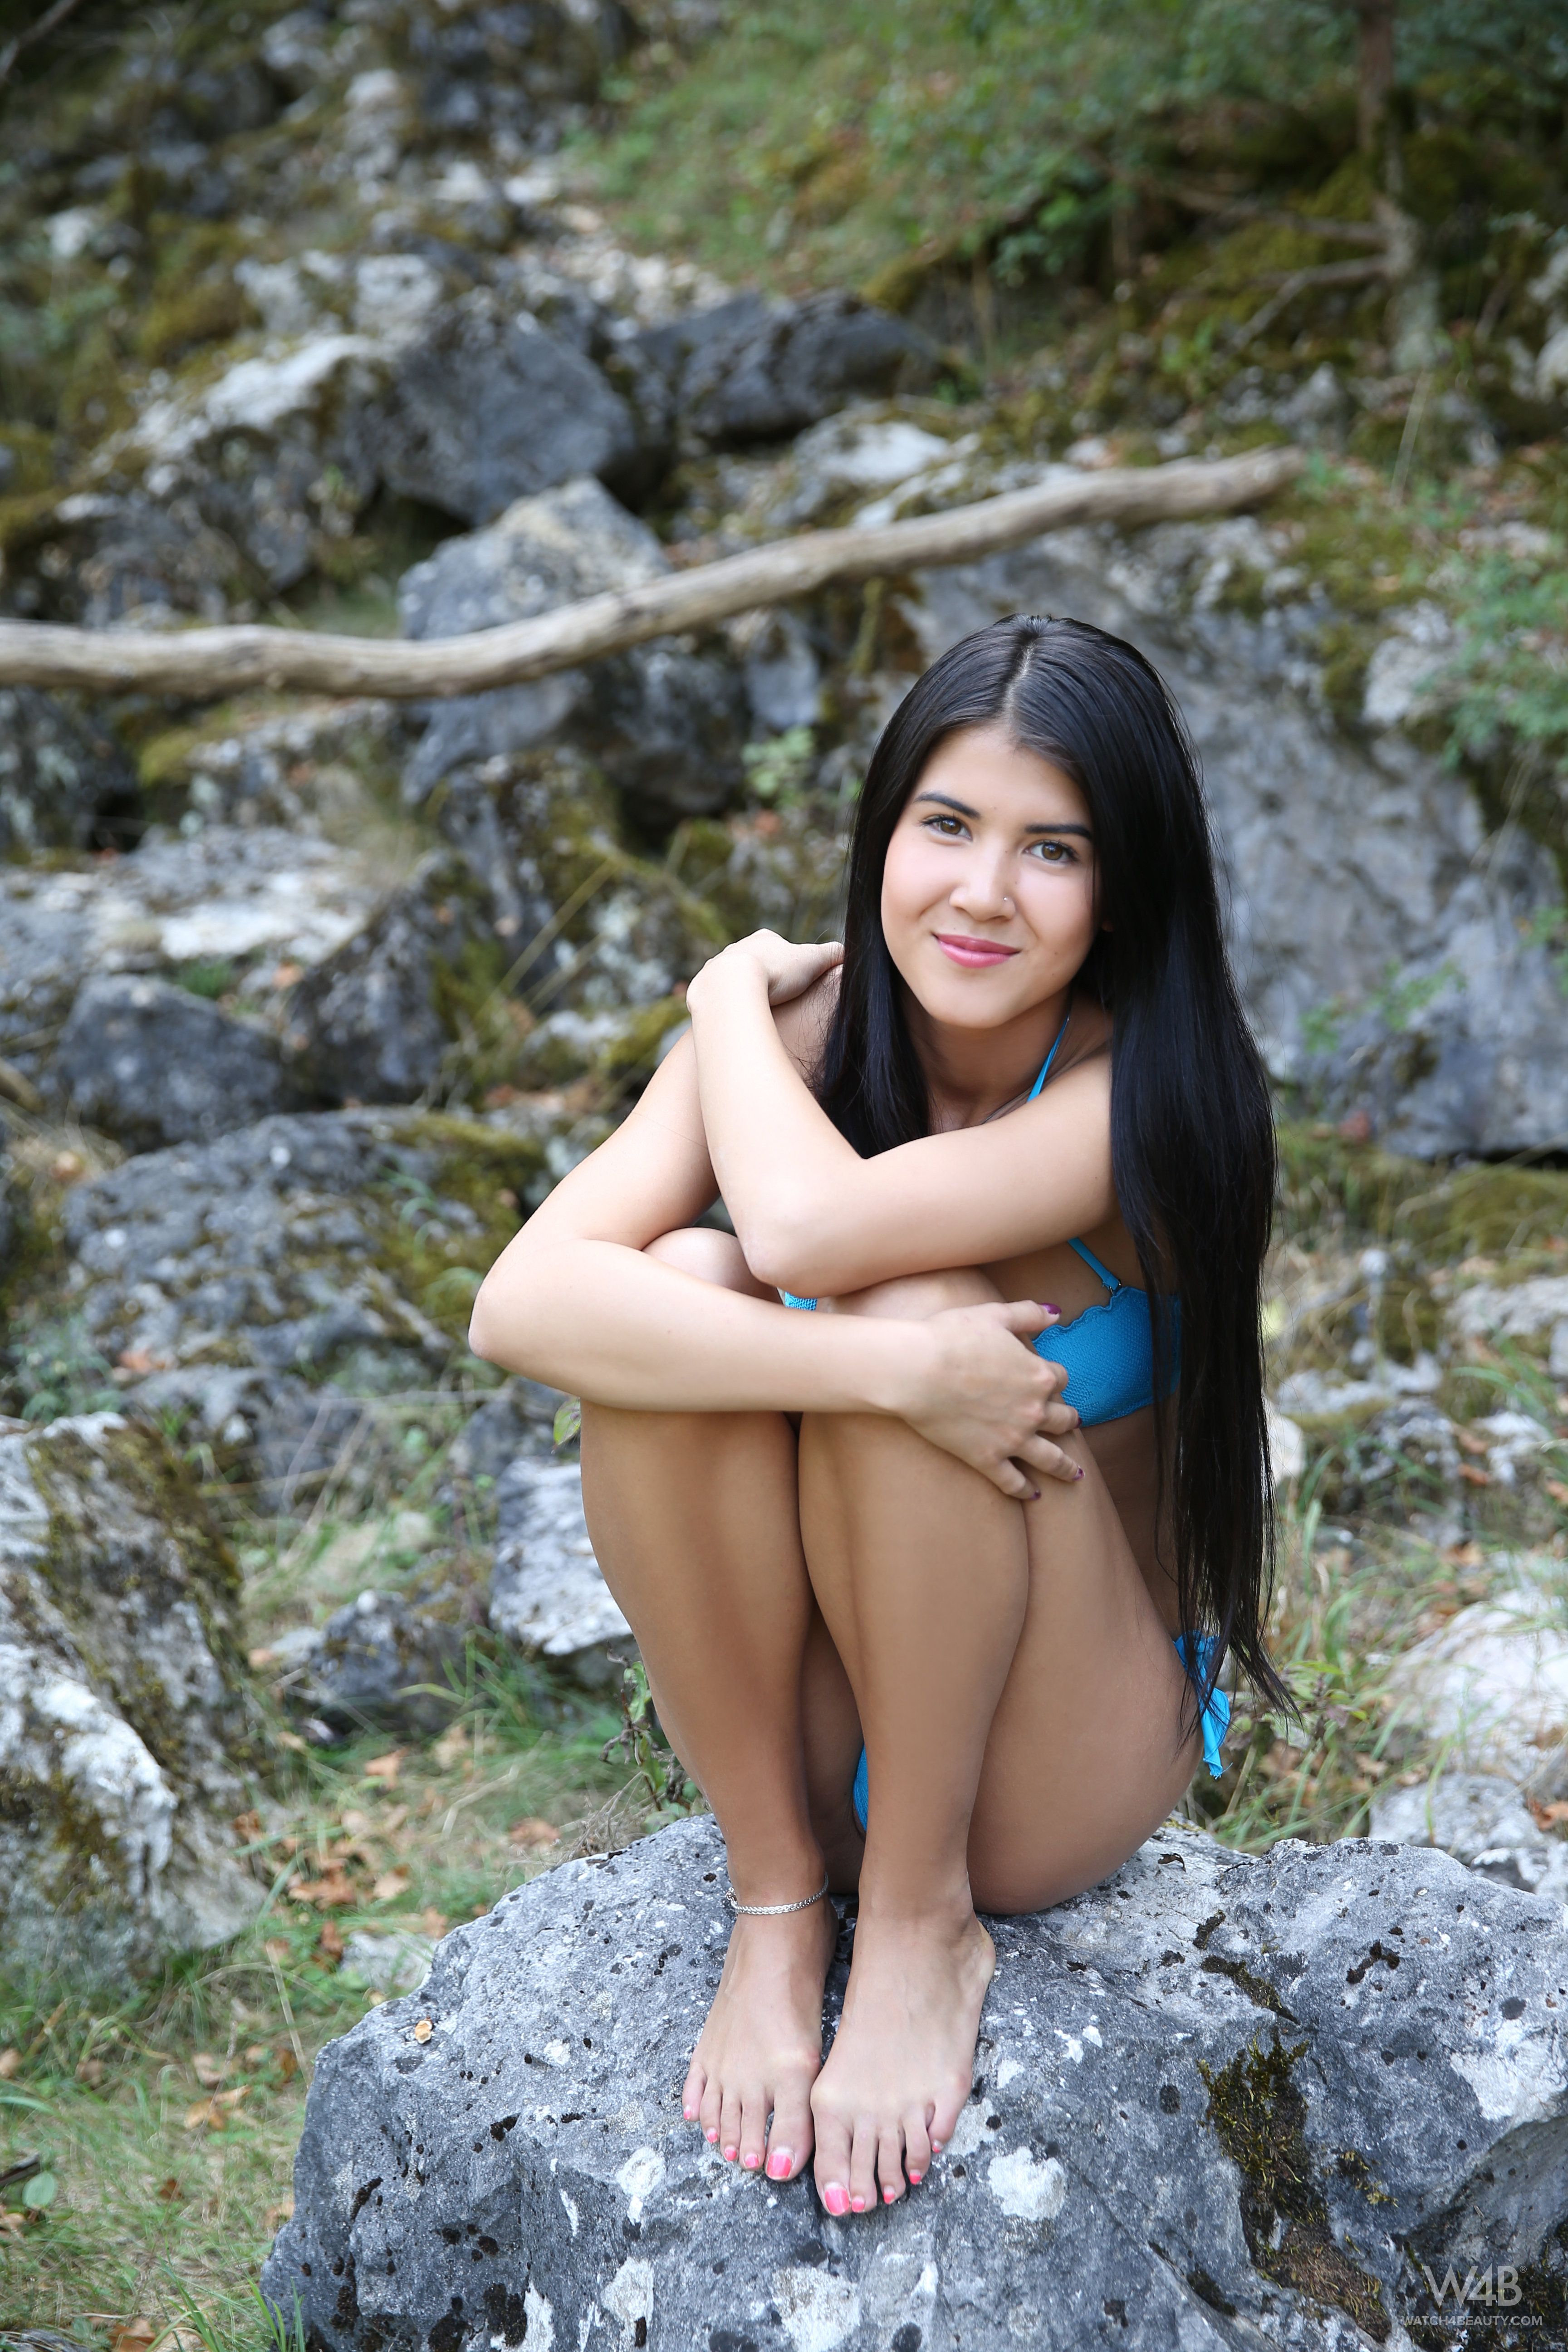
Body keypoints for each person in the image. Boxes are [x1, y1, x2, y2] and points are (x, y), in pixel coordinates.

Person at [468, 611, 1292, 2222]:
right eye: (948, 825)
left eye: (1052, 850)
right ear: (884, 834)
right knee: (686, 1294)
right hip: (820, 1712)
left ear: (1124, 884)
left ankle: (920, 1928)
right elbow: (525, 1305)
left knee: (888, 1299)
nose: (983, 892)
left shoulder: (1149, 1096)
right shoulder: (805, 1038)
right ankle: (779, 1899)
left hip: (1045, 1762)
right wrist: (885, 1373)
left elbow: (812, 1235)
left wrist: (721, 1005)